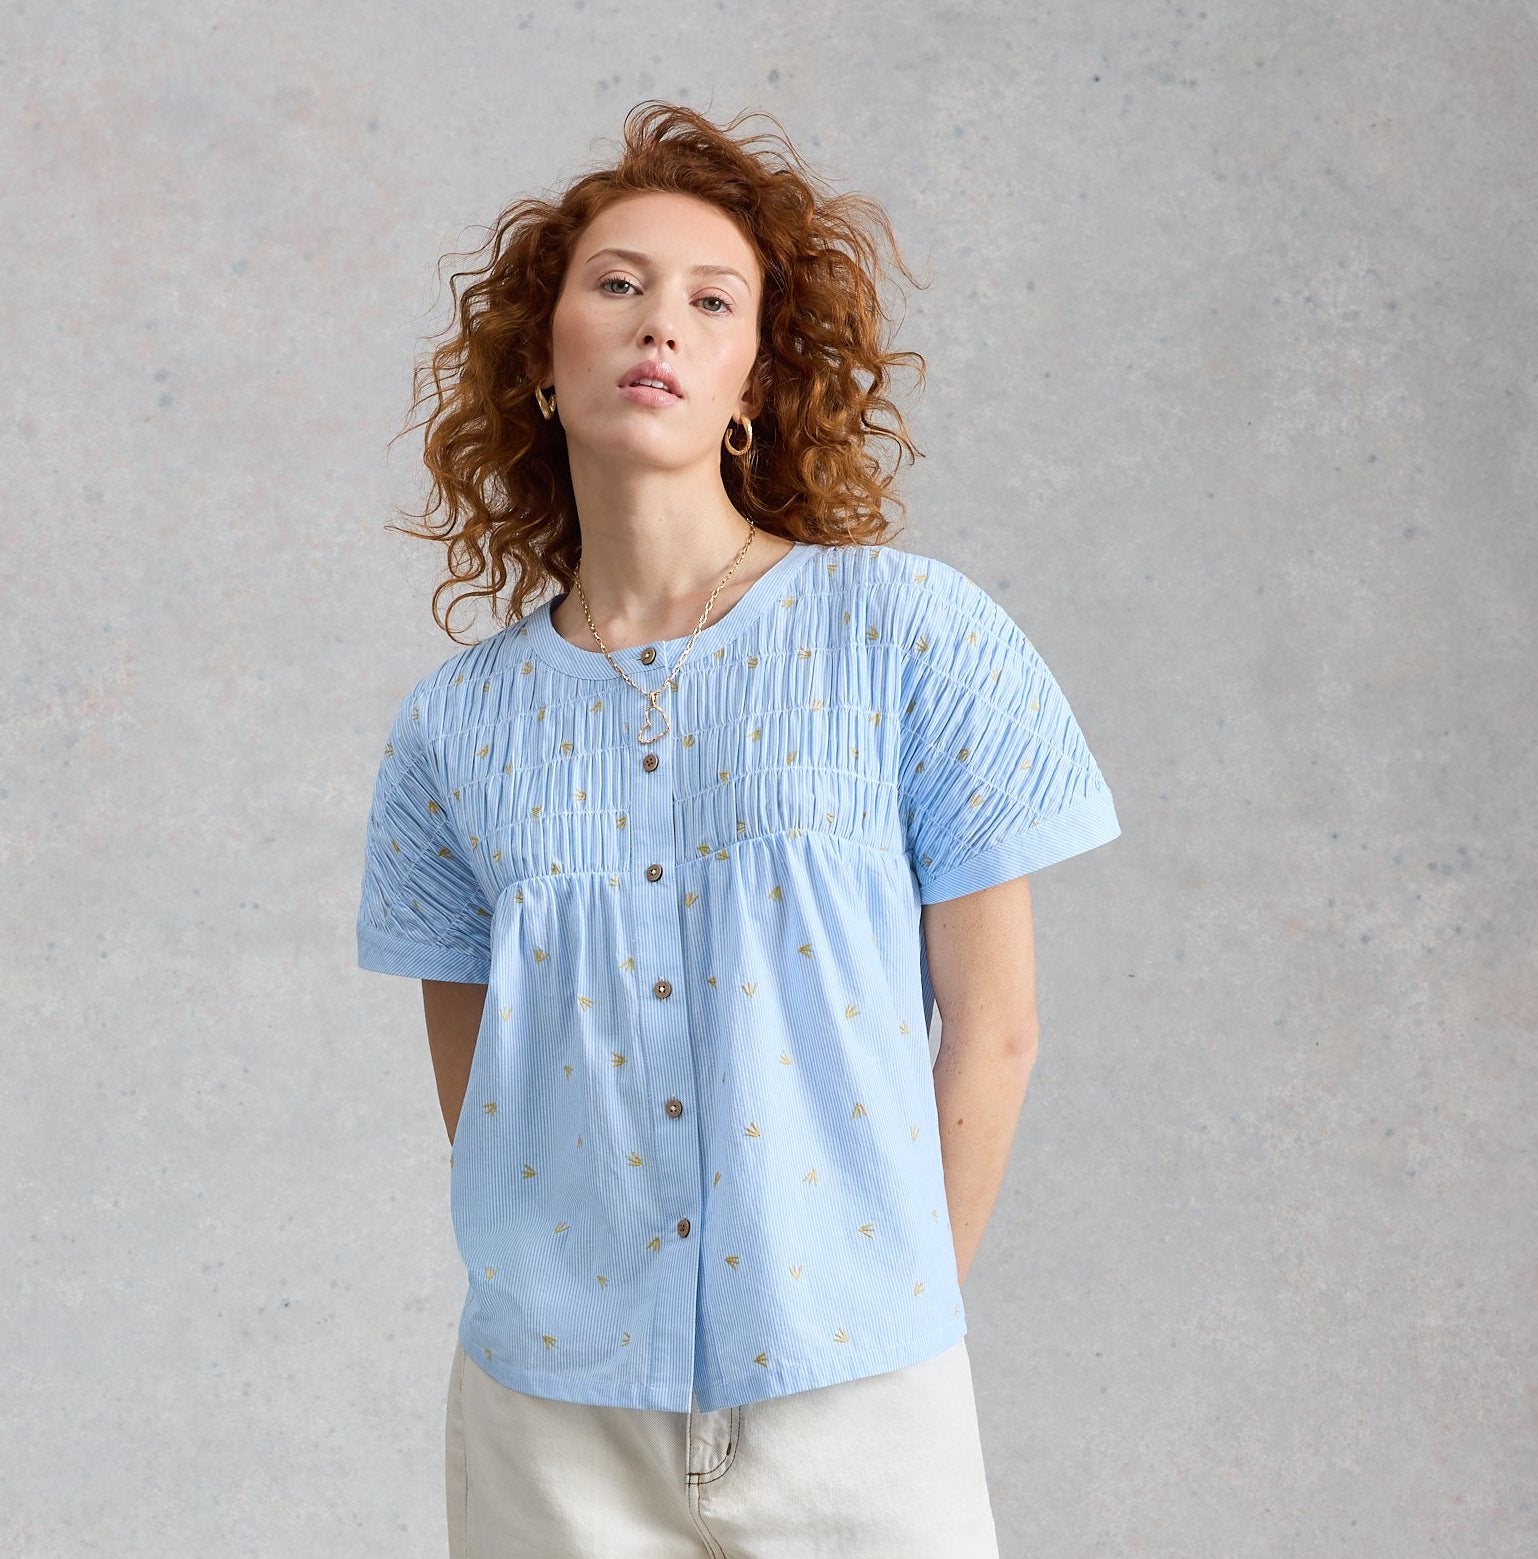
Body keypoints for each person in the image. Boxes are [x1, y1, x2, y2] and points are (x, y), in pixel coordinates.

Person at [355, 101, 1120, 1559]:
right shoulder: (454, 728)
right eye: (618, 282)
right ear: (540, 354)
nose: (663, 324)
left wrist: (890, 1310)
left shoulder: (907, 637)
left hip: (860, 1396)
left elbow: (997, 1029)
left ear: (753, 382)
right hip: (550, 1424)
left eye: (714, 301)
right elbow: (487, 1091)